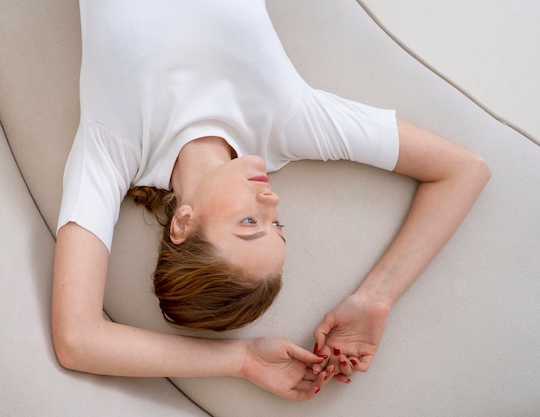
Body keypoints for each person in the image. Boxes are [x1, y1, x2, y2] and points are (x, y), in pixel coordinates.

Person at [52, 0, 491, 400]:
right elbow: (466, 169)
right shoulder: (287, 122)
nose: (271, 199)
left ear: (182, 223)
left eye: (249, 223)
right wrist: (376, 297)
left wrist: (241, 360)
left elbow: (77, 339)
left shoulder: (112, 148)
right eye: (278, 225)